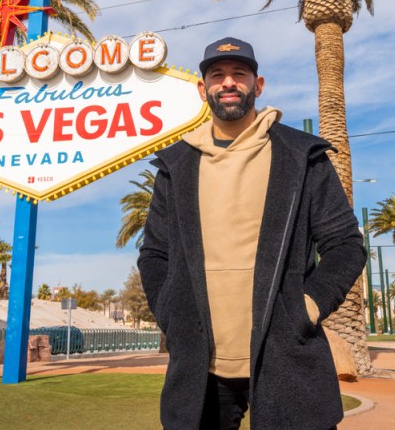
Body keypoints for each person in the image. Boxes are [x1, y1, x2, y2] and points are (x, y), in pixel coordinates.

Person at [138, 36, 367, 429]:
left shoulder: (302, 156)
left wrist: (305, 308)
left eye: (239, 74)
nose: (228, 83)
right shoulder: (175, 167)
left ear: (258, 86)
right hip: (201, 366)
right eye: (217, 75)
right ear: (202, 89)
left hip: (286, 354)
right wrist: (170, 314)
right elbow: (154, 254)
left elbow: (345, 245)